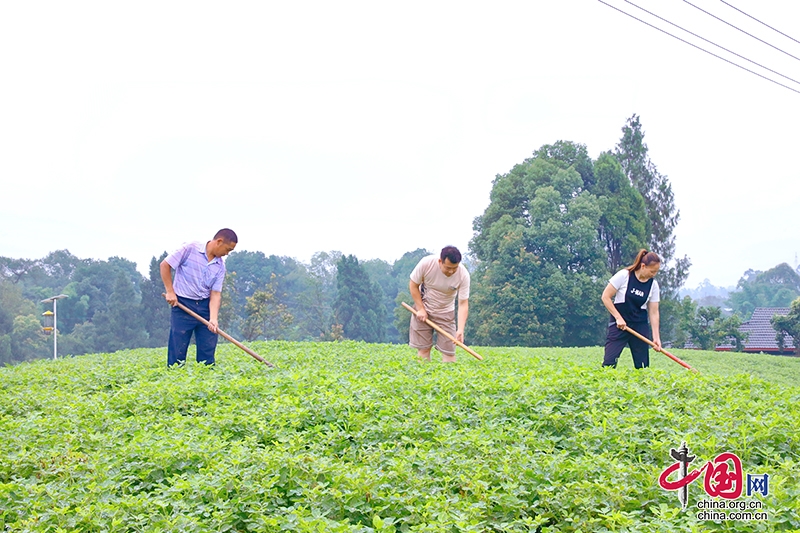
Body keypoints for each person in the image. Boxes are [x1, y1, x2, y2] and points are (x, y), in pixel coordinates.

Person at [160, 228, 237, 366]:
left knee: (207, 351)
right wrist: (170, 291)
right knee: (178, 349)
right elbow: (165, 265)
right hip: (182, 304)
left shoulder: (220, 266)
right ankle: (175, 378)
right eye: (227, 249)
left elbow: (215, 293)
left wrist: (213, 318)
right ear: (219, 242)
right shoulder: (190, 248)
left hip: (205, 307)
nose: (226, 254)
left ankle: (207, 381)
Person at [601, 249, 662, 369]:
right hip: (619, 325)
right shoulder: (624, 275)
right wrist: (618, 318)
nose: (653, 274)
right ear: (643, 266)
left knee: (643, 366)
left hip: (639, 326)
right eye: (652, 271)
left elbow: (654, 312)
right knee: (609, 363)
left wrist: (656, 337)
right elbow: (605, 297)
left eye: (656, 272)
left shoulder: (653, 285)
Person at [409, 246, 470, 362]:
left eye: (454, 268)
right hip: (424, 308)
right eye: (448, 268)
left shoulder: (463, 275)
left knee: (449, 352)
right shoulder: (426, 264)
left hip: (446, 312)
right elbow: (413, 285)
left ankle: (449, 378)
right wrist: (420, 309)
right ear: (440, 261)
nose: (451, 271)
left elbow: (463, 304)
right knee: (424, 349)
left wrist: (461, 329)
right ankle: (423, 377)